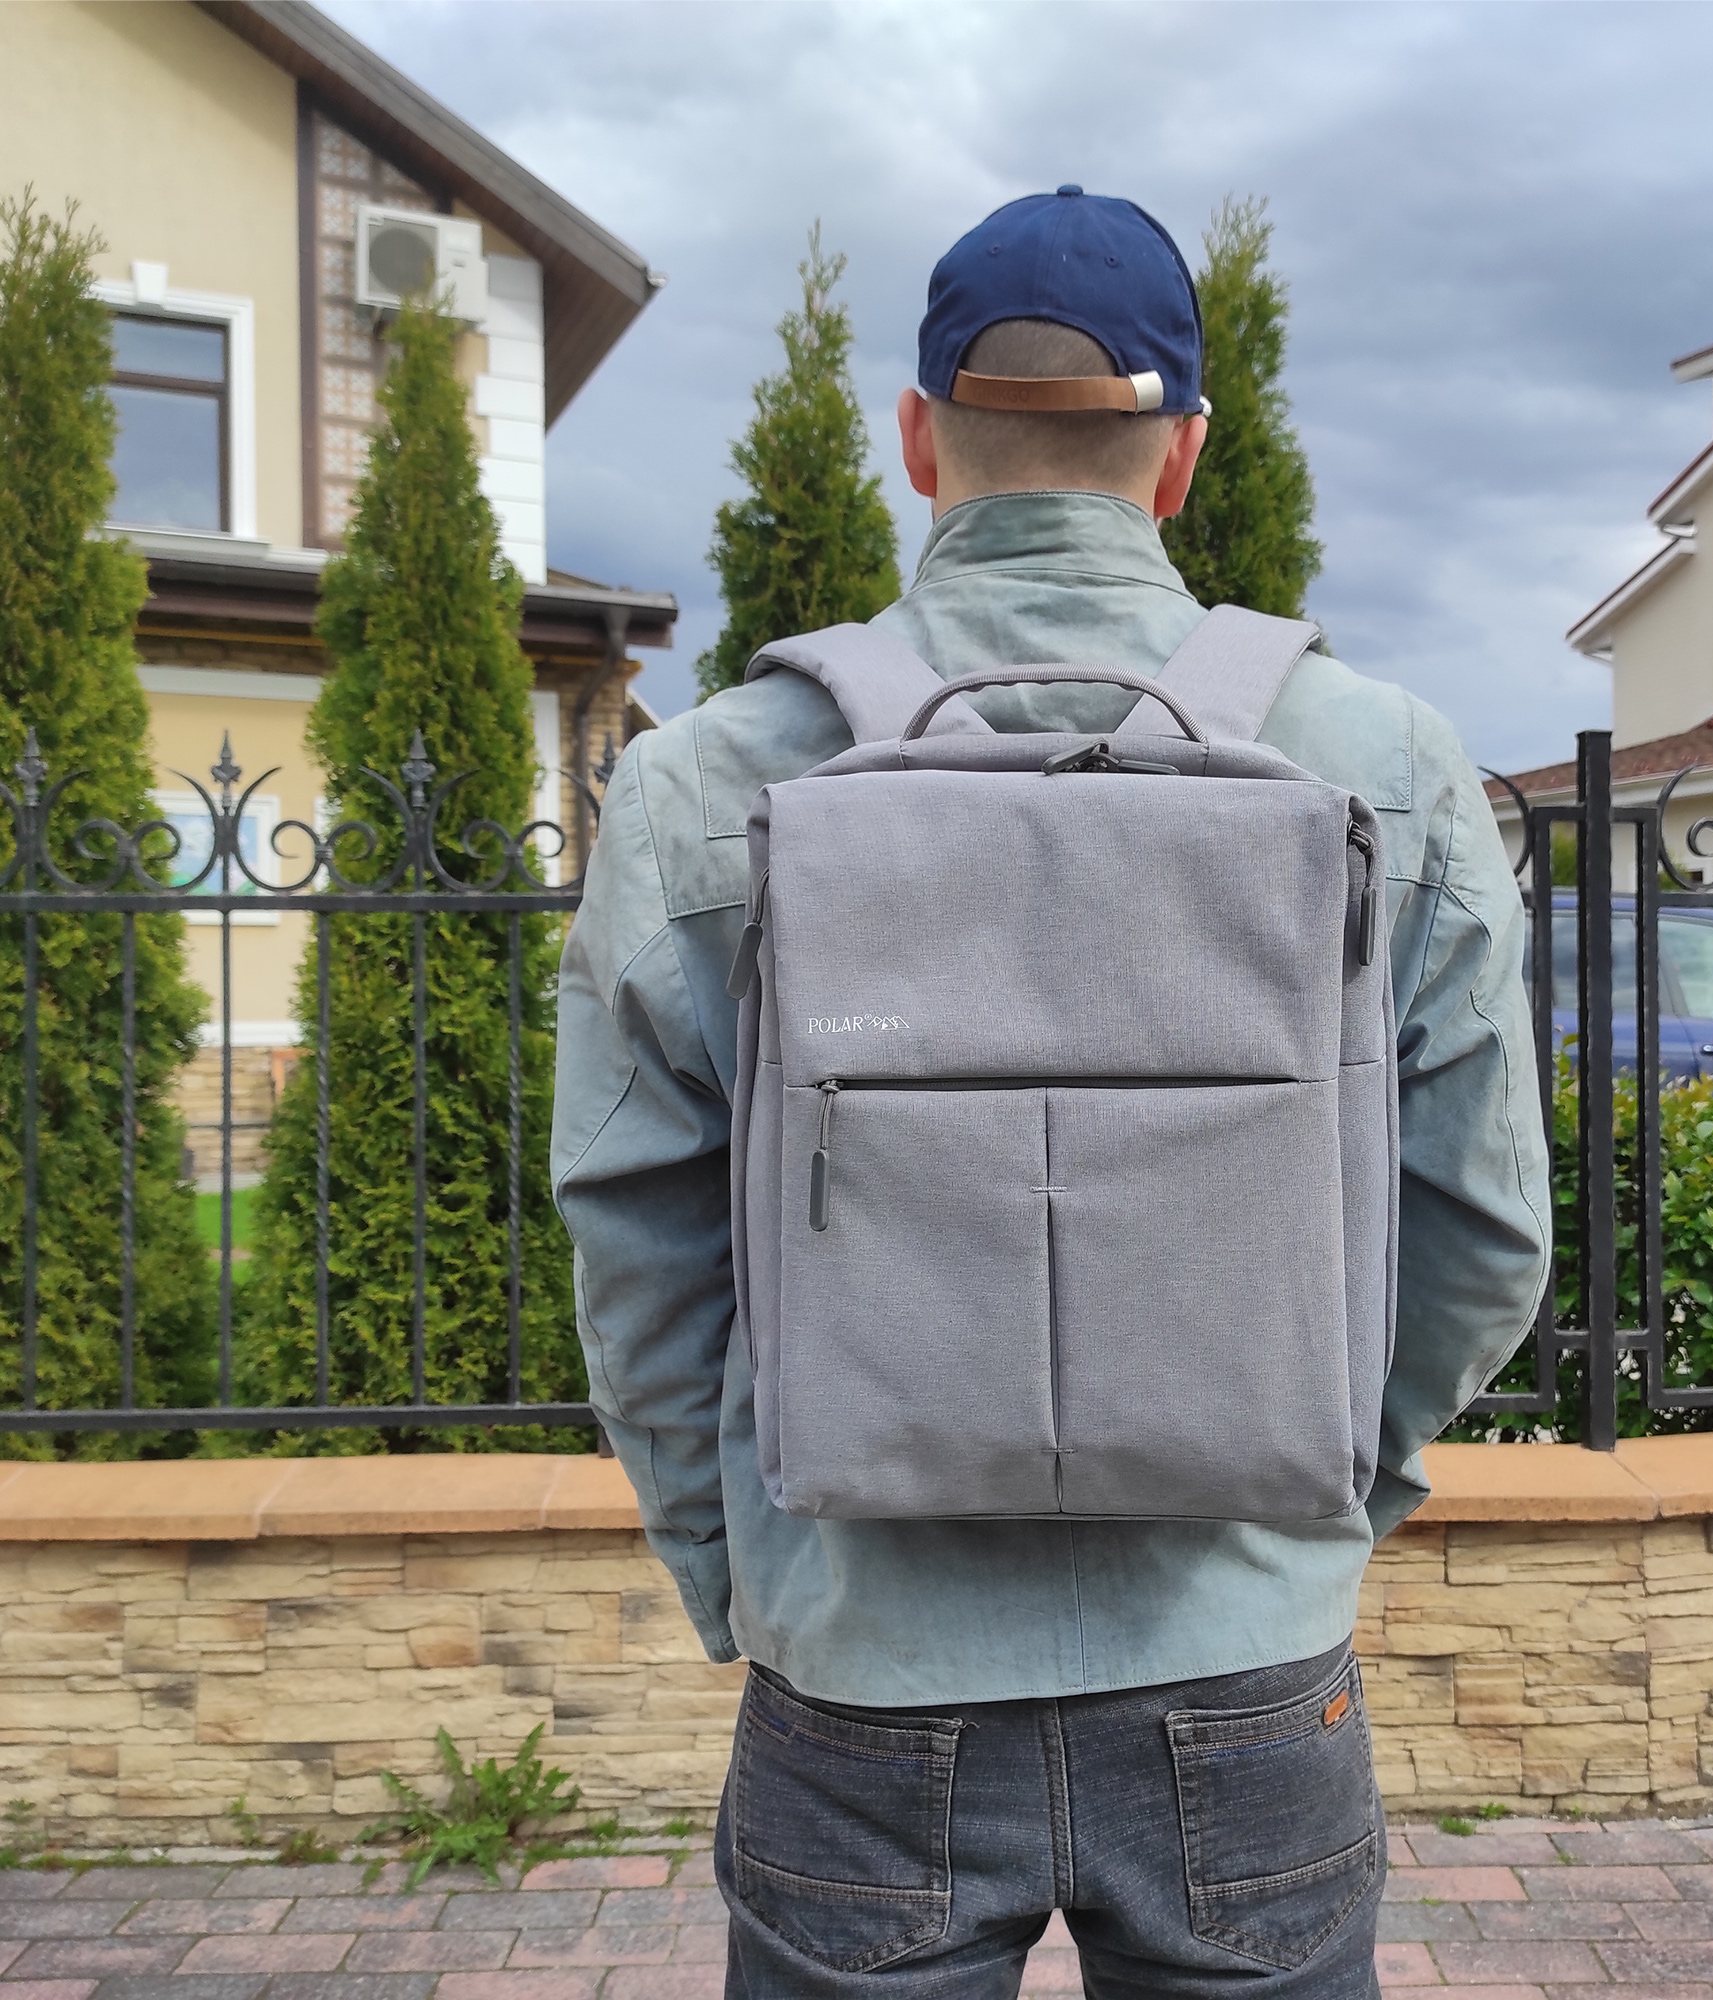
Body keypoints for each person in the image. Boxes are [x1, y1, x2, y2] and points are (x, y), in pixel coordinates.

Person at [552, 187, 1551, 2000]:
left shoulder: (712, 778)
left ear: (920, 441)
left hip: (861, 1677)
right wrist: (1329, 1496)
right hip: (1247, 1673)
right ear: (1183, 458)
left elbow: (637, 1242)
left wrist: (739, 1569)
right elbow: (1483, 1229)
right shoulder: (1382, 762)